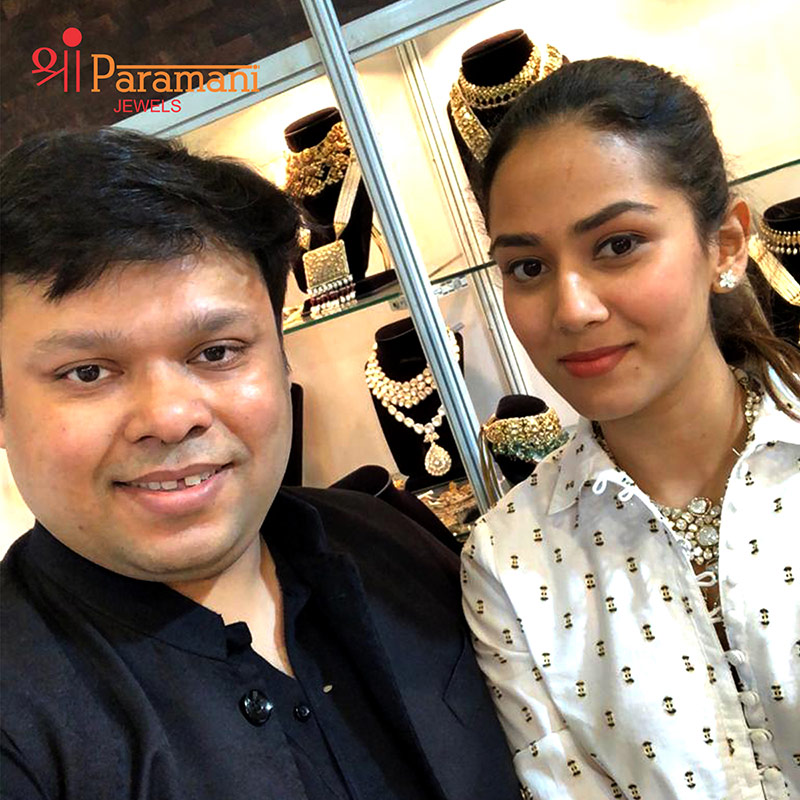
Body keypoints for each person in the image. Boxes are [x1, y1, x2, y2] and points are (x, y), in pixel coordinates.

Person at [0, 128, 520, 800]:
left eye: (216, 352)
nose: (171, 417)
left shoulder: (387, 537)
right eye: (88, 372)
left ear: (280, 355)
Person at [462, 57, 800, 799]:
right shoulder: (511, 560)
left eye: (618, 245)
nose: (573, 308)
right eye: (527, 267)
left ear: (727, 244)